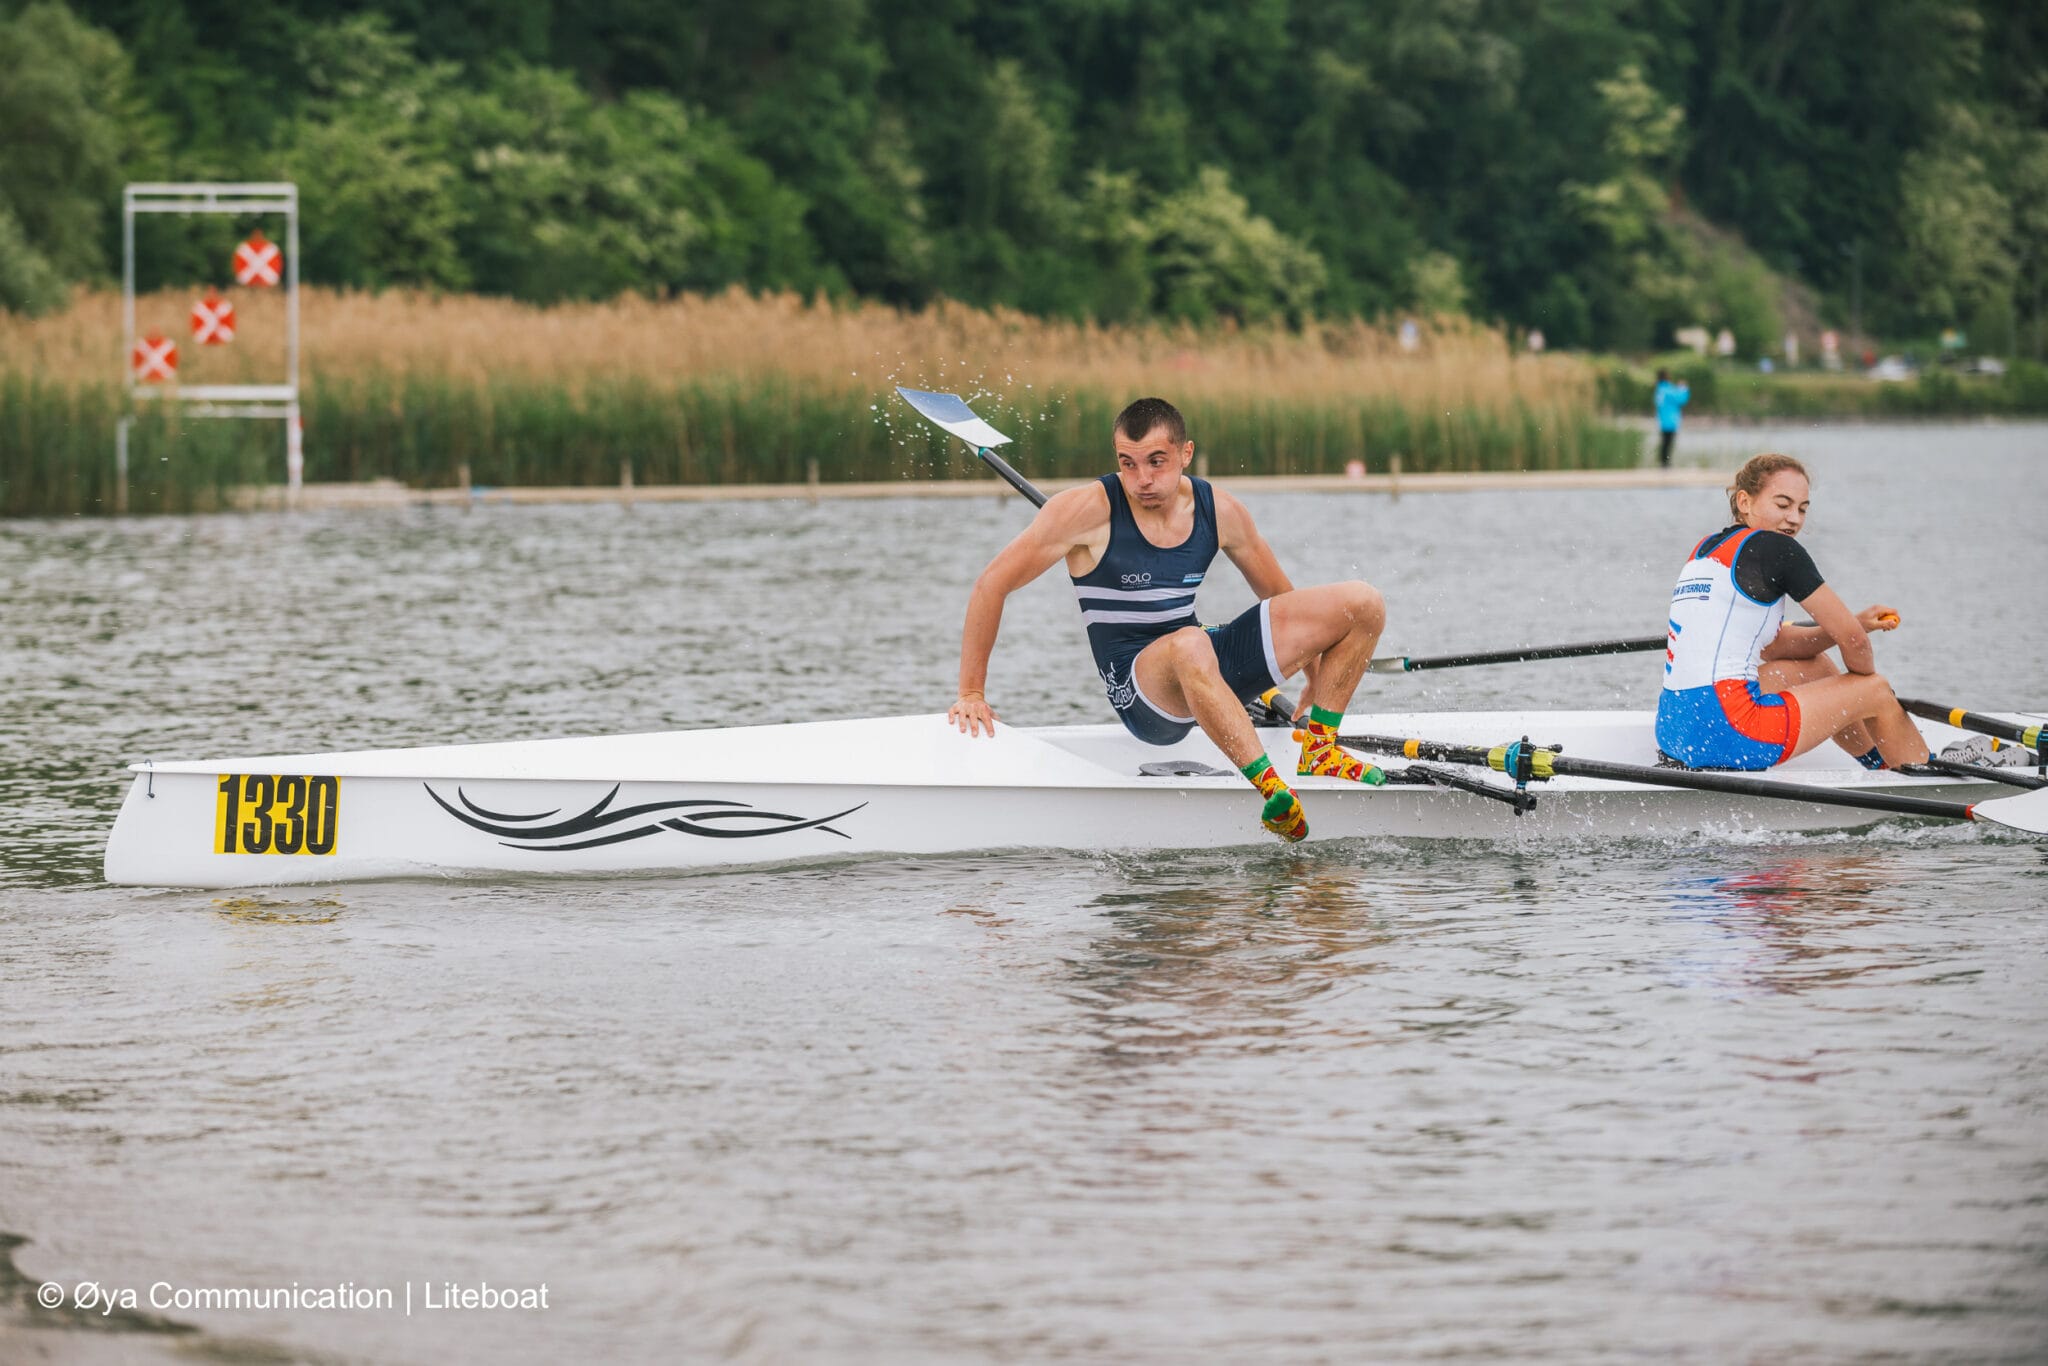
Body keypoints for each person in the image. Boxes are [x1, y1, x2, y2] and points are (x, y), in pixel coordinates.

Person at [947, 397, 1389, 843]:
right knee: (1191, 643)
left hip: (1197, 657)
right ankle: (1272, 790)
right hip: (1141, 695)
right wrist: (971, 693)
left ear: (1185, 453)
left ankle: (1319, 749)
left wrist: (1315, 678)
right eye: (1128, 463)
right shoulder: (1082, 511)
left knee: (1362, 602)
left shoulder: (1219, 511)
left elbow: (1281, 598)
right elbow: (991, 585)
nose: (1142, 479)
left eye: (1156, 462)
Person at [1656, 453, 1929, 772]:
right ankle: (1923, 774)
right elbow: (1854, 642)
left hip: (1675, 732)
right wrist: (1866, 689)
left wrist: (1856, 624)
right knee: (1876, 690)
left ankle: (1878, 763)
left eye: (1802, 509)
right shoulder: (1778, 550)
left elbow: (1775, 648)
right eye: (1783, 505)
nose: (1794, 519)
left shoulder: (1704, 550)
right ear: (1744, 501)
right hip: (1734, 732)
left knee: (1815, 667)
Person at [1653, 369, 1690, 468]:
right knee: (1668, 442)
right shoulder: (1667, 389)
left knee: (1664, 442)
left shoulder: (1659, 389)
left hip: (1662, 420)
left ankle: (1663, 463)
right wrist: (1683, 388)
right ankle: (1665, 464)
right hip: (1670, 420)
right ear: (1666, 377)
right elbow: (1680, 399)